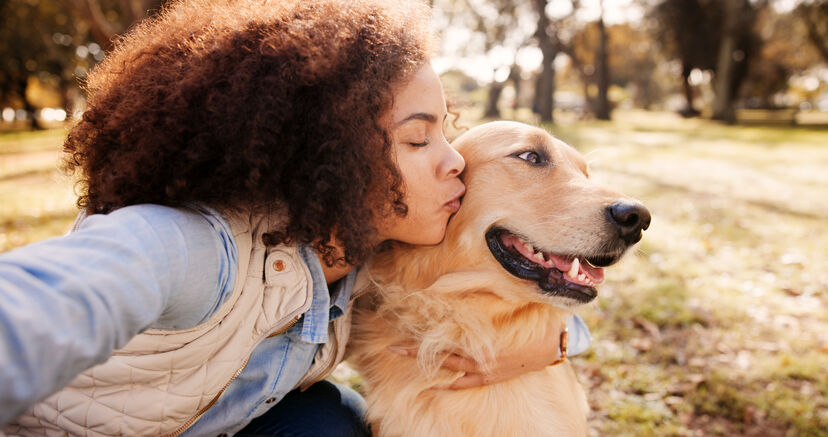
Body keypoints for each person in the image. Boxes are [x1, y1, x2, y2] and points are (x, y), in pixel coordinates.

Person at [0, 0, 589, 435]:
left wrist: (554, 342)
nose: (455, 159)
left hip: (215, 425)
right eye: (418, 140)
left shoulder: (367, 258)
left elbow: (468, 300)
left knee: (330, 422)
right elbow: (35, 305)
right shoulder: (192, 248)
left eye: (445, 130)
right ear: (328, 154)